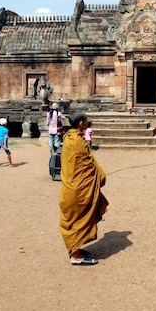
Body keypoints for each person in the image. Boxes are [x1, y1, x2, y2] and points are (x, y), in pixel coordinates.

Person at [59, 110, 108, 266]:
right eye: (86, 121)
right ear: (81, 124)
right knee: (78, 217)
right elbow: (85, 165)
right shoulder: (77, 141)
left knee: (80, 216)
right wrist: (99, 174)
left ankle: (76, 249)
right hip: (77, 189)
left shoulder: (69, 137)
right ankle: (76, 256)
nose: (88, 123)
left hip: (73, 185)